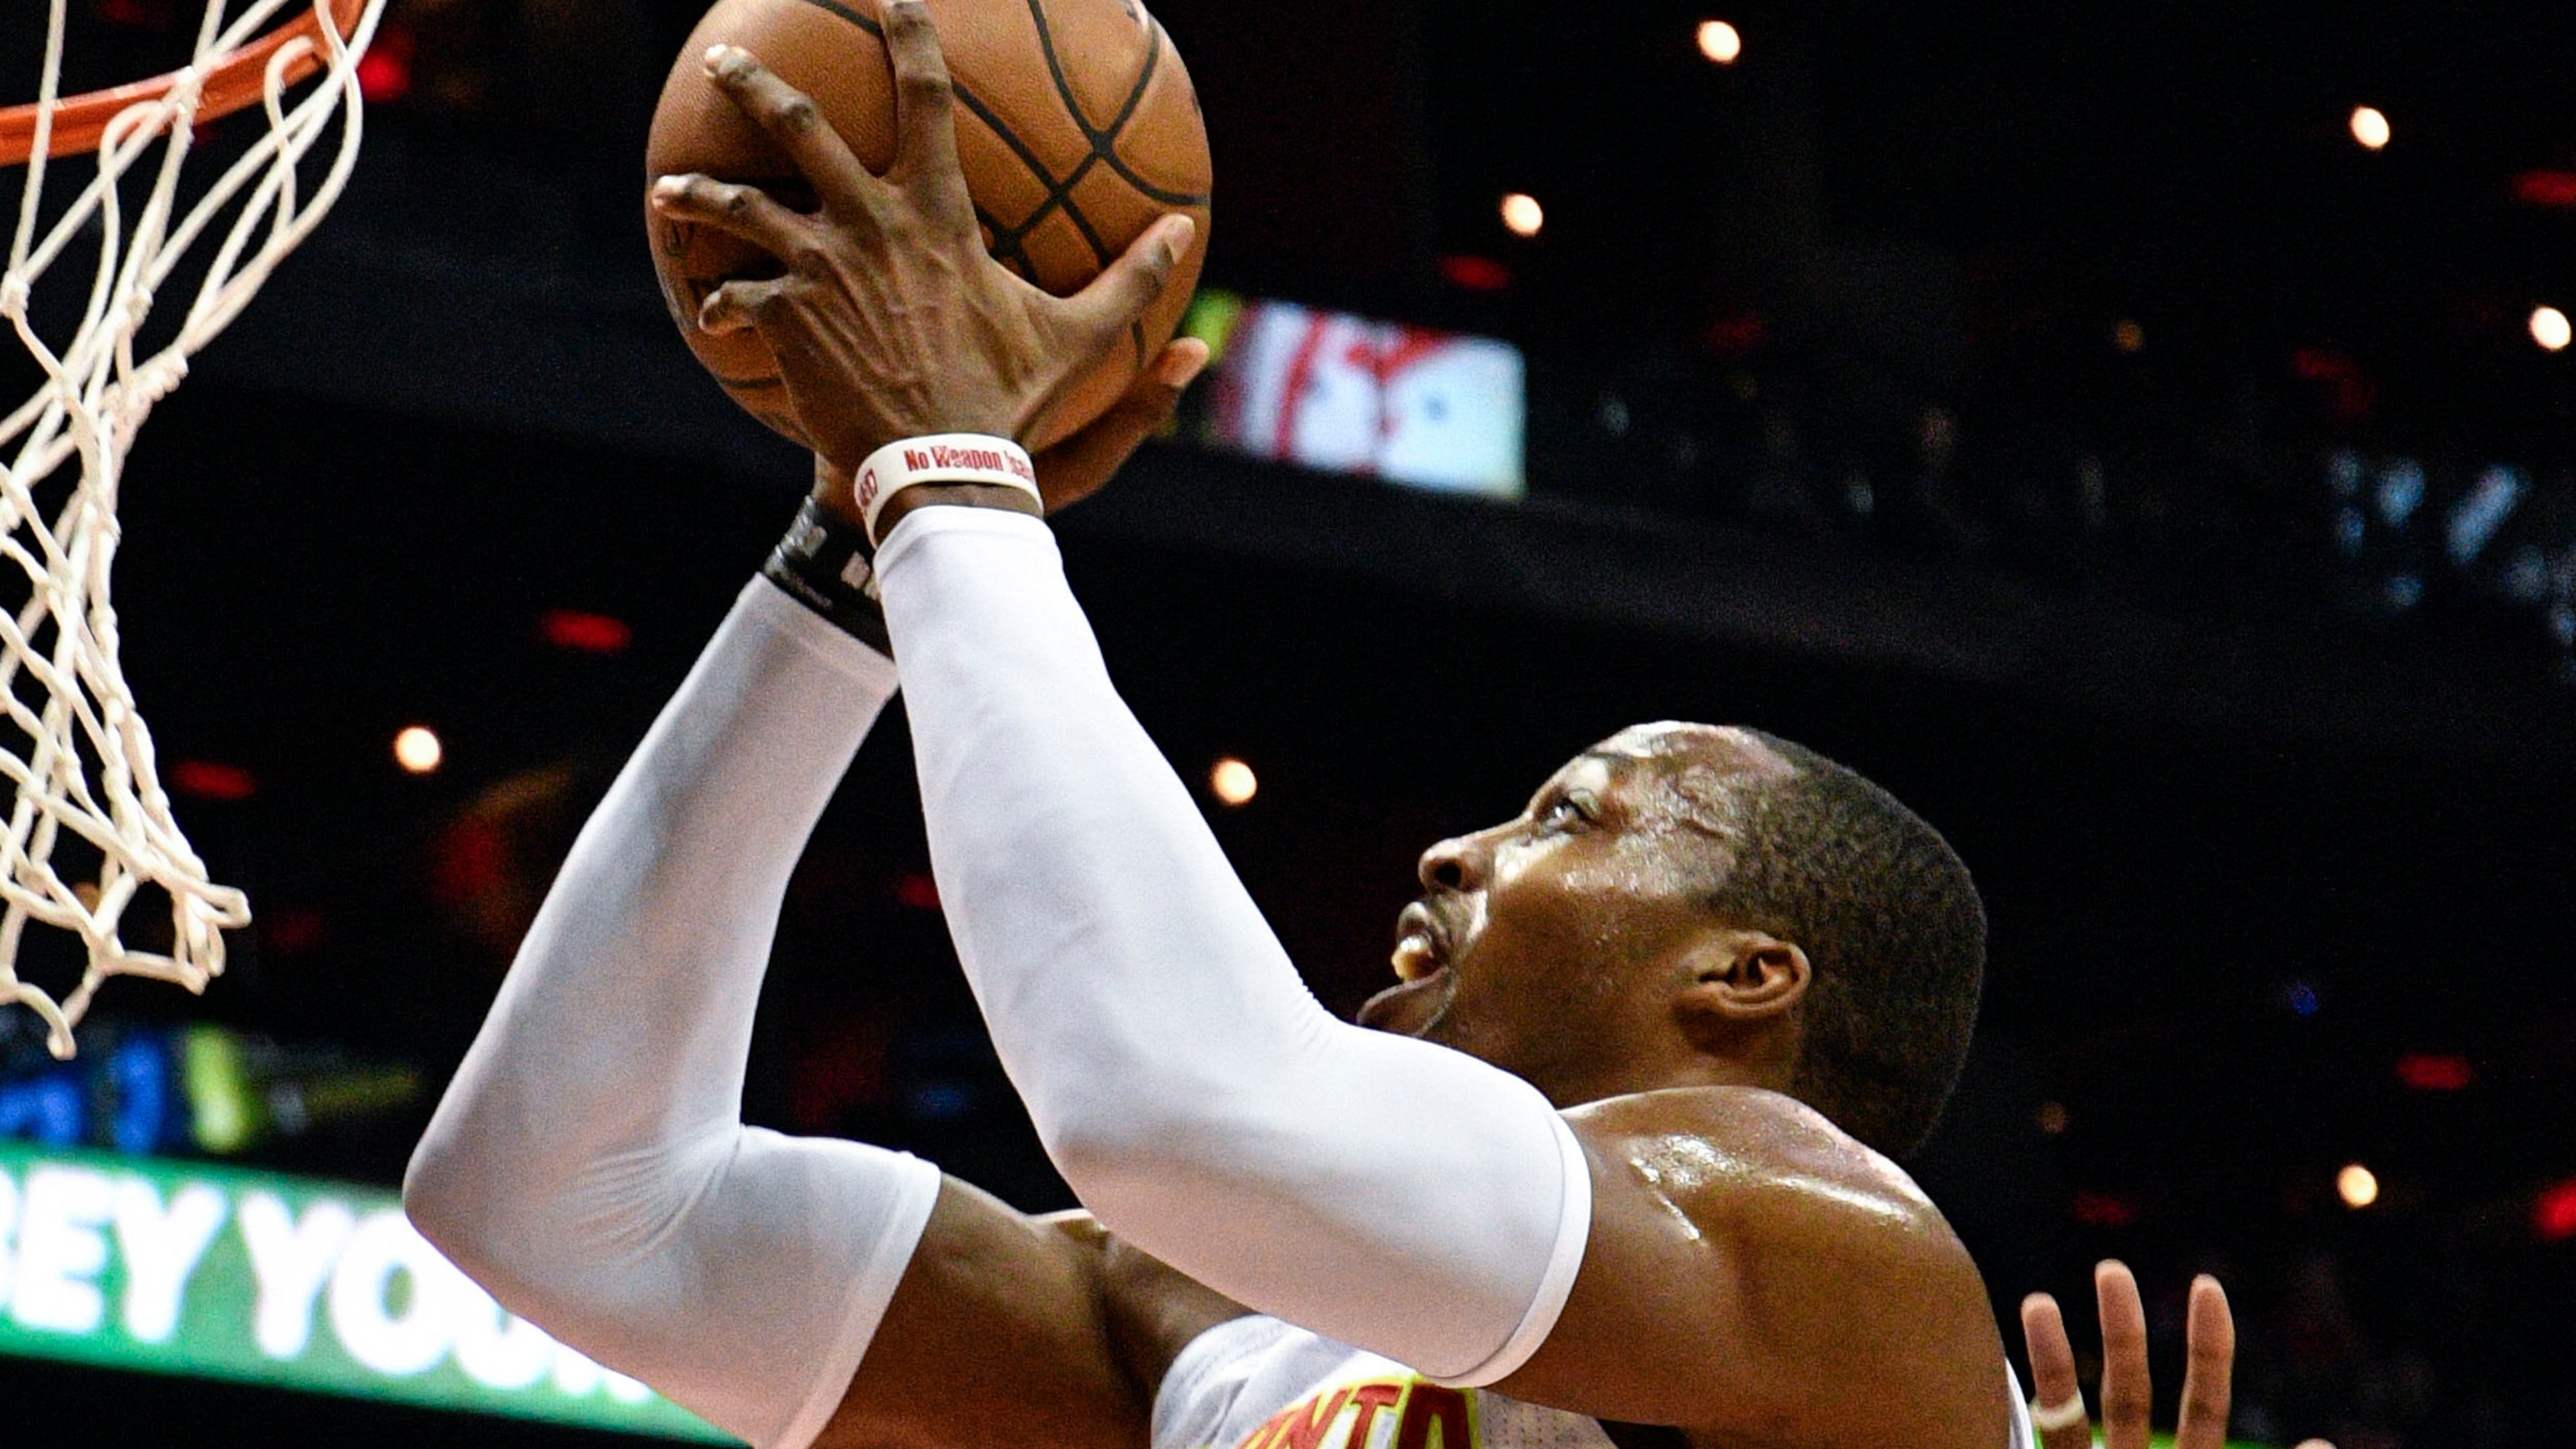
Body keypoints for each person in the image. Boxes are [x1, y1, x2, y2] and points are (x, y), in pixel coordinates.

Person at [404, 9, 2233, 1449]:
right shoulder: (1218, 1329)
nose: (1458, 851)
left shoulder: (1849, 1278)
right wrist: (845, 569)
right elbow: (559, 1211)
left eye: (1575, 818)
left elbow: (1170, 1096)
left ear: (1746, 978)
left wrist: (952, 476)